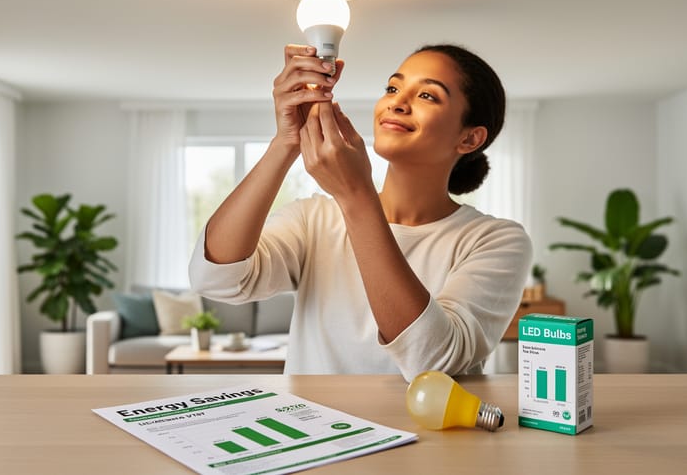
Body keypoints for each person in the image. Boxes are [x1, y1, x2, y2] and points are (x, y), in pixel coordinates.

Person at [189, 43, 532, 381]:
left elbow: (433, 364)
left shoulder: (496, 240)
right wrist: (286, 142)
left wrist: (356, 194)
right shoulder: (314, 219)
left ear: (470, 139)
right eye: (393, 88)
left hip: (426, 437)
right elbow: (215, 280)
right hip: (312, 432)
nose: (397, 102)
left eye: (427, 95)